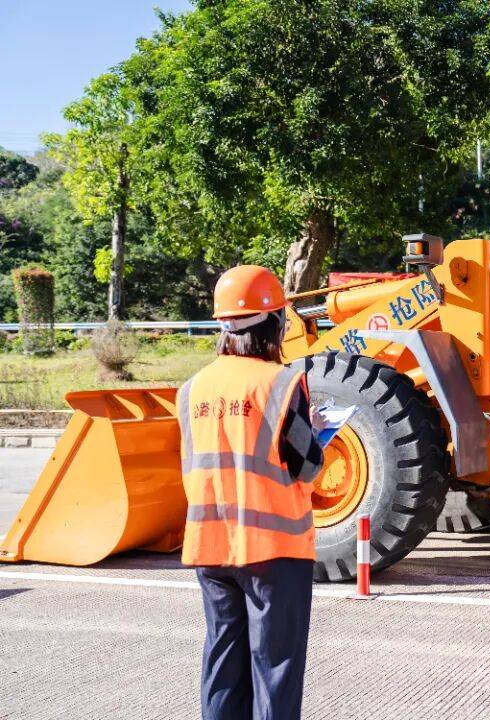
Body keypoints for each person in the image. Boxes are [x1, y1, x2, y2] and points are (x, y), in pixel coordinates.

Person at [178, 265, 326, 720]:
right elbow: (306, 467)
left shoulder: (191, 389)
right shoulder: (280, 383)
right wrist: (317, 434)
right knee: (274, 667)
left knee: (223, 662)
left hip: (211, 546)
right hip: (274, 551)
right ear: (274, 323)